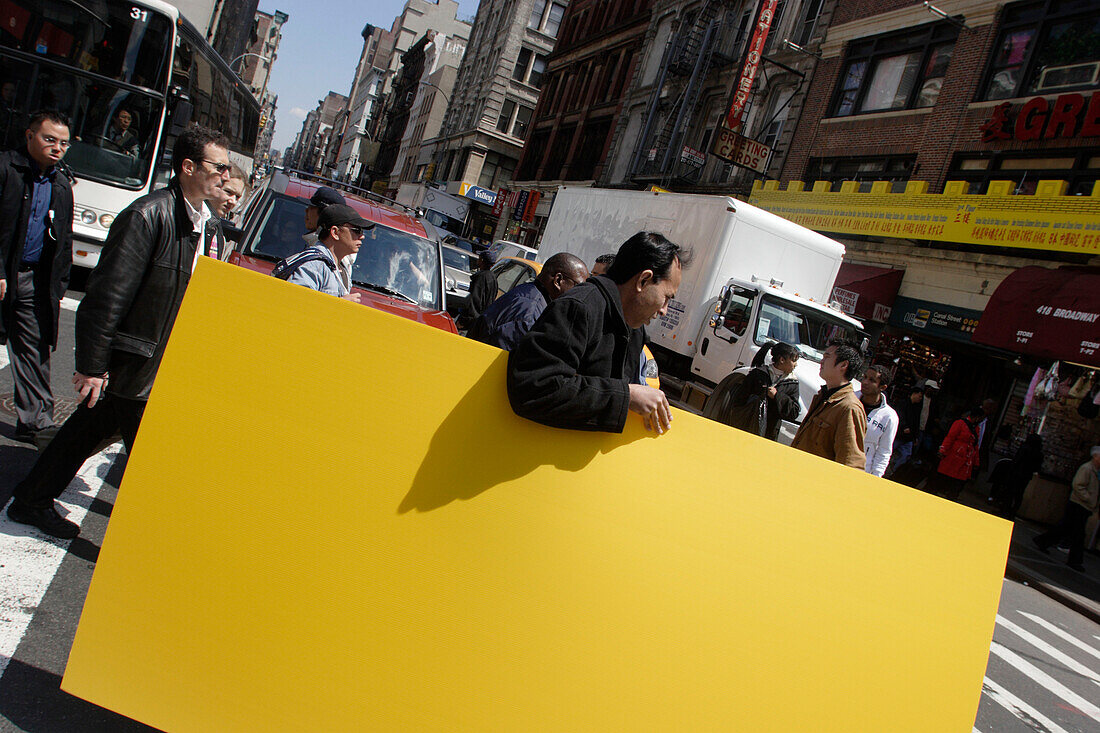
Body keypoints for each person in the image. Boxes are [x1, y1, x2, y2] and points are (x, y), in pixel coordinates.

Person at [6, 123, 231, 539]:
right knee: (158, 460)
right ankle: (154, 544)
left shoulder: (198, 221)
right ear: (187, 167)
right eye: (218, 166)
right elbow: (107, 295)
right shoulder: (149, 215)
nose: (224, 175)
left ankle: (32, 500)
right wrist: (92, 366)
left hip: (153, 359)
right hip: (134, 361)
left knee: (83, 432)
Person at [508, 231, 688, 434]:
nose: (664, 310)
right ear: (643, 280)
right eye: (666, 297)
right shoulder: (579, 308)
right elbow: (534, 388)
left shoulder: (634, 330)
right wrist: (625, 395)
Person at [0, 111, 74, 443]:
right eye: (49, 139)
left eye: (64, 143)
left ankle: (37, 422)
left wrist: (57, 286)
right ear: (30, 136)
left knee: (33, 348)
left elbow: (64, 240)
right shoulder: (5, 168)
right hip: (3, 272)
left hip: (32, 280)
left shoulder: (60, 184)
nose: (57, 147)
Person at [468, 252, 588, 351]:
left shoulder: (532, 297)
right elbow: (505, 365)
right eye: (578, 286)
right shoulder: (528, 313)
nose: (580, 294)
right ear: (558, 280)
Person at [790, 339, 866, 470]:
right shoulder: (823, 396)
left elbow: (852, 463)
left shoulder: (849, 408)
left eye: (827, 357)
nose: (822, 361)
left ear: (843, 365)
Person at [273, 203, 369, 303]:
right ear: (335, 233)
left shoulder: (341, 268)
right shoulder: (314, 265)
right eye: (357, 230)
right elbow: (295, 303)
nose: (362, 236)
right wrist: (339, 303)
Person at [706, 341, 800, 441]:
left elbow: (794, 412)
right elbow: (738, 401)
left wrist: (777, 396)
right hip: (744, 430)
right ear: (782, 360)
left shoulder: (792, 383)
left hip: (768, 436)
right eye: (793, 360)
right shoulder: (757, 374)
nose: (796, 364)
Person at [1032, 446, 1100, 572]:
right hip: (1079, 504)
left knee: (1066, 527)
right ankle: (1075, 560)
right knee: (1078, 534)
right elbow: (1078, 485)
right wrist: (1089, 499)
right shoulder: (1087, 469)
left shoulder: (1095, 470)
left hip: (1083, 505)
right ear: (1095, 456)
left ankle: (1043, 540)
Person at [930, 406, 983, 501]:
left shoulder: (976, 428)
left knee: (957, 482)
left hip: (964, 459)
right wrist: (943, 450)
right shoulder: (960, 423)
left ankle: (950, 496)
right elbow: (950, 437)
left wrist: (976, 461)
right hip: (954, 456)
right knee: (945, 478)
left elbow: (975, 446)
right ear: (977, 417)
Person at [988, 433, 1043, 519]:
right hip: (1026, 477)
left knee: (1009, 492)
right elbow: (1037, 468)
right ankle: (1012, 512)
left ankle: (1004, 509)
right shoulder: (1039, 453)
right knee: (1019, 495)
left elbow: (1017, 460)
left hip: (1016, 473)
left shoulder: (1024, 448)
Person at [858, 364, 899, 477]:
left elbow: (884, 451)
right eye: (864, 377)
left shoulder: (889, 417)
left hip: (862, 471)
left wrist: (876, 476)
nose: (865, 382)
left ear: (883, 387)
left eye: (872, 380)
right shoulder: (850, 399)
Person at [886, 385, 924, 477]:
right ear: (914, 394)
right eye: (919, 396)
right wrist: (904, 427)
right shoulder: (903, 403)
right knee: (888, 451)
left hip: (909, 438)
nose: (920, 398)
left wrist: (915, 437)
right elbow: (899, 416)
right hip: (899, 435)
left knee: (906, 455)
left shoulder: (917, 407)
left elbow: (916, 422)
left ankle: (893, 471)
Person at [458, 250, 498, 330]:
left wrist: (464, 321)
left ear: (482, 260)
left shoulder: (481, 278)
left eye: (479, 258)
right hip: (482, 320)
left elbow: (474, 300)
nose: (478, 260)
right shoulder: (493, 278)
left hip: (472, 322)